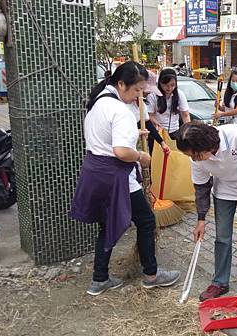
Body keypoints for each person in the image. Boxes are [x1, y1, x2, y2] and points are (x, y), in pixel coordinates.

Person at [70, 61, 181, 296]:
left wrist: (134, 133)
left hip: (95, 172)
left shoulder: (98, 101)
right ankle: (151, 275)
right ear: (121, 84)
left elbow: (107, 137)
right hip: (116, 176)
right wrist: (141, 155)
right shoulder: (119, 110)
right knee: (146, 221)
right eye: (136, 90)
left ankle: (99, 278)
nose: (139, 96)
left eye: (142, 91)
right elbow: (121, 152)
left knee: (106, 225)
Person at [177, 121, 237, 311]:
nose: (194, 159)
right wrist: (201, 219)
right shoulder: (196, 158)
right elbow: (202, 187)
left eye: (195, 155)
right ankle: (220, 282)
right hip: (224, 190)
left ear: (206, 145)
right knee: (222, 237)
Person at [126, 70, 167, 155]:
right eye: (145, 91)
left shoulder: (142, 105)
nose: (148, 93)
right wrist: (138, 132)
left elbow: (147, 123)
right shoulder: (124, 105)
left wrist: (162, 143)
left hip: (136, 146)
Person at [147, 68, 191, 142]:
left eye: (172, 85)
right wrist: (157, 124)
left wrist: (188, 131)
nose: (169, 88)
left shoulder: (179, 94)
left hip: (175, 132)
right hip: (158, 133)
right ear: (160, 83)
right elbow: (150, 115)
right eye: (166, 85)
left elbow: (185, 115)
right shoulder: (153, 95)